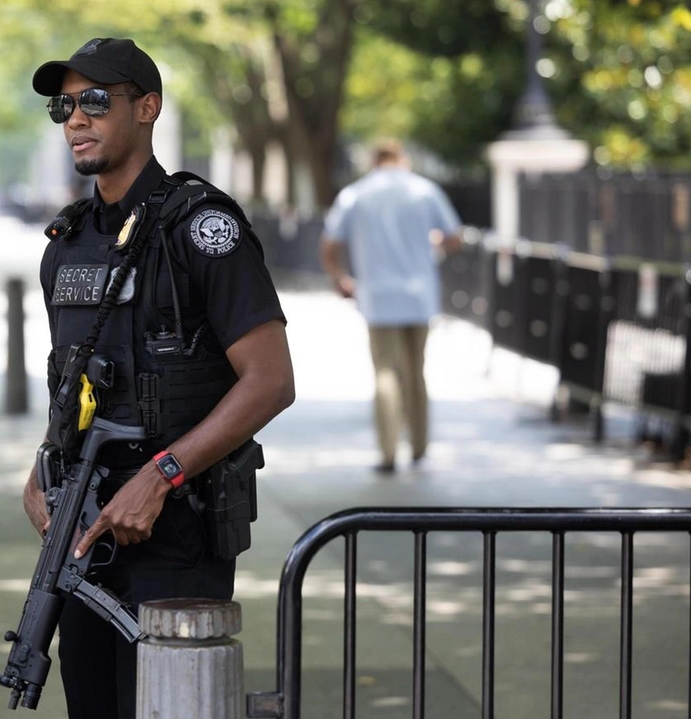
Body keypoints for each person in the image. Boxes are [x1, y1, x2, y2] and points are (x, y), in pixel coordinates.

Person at [23, 38, 295, 719]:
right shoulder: (69, 243)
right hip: (85, 537)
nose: (75, 120)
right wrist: (40, 468)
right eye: (65, 105)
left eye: (94, 102)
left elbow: (270, 381)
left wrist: (163, 474)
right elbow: (74, 383)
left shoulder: (202, 228)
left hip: (177, 537)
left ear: (147, 108)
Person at [320, 140, 463, 474]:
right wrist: (434, 246)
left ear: (374, 161)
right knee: (416, 370)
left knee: (385, 371)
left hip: (378, 295)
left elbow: (329, 244)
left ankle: (387, 451)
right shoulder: (424, 190)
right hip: (420, 294)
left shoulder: (356, 194)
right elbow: (455, 236)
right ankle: (419, 445)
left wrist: (340, 277)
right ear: (402, 159)